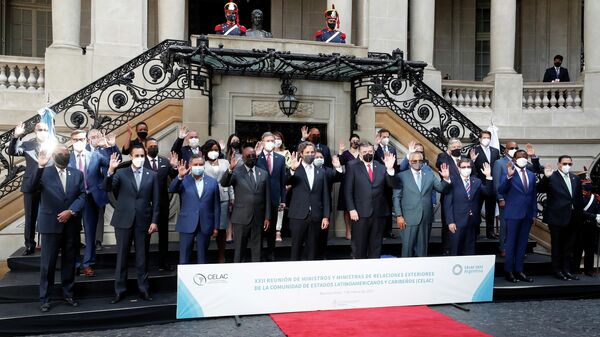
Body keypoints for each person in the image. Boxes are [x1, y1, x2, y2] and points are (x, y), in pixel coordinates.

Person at [22, 144, 85, 312]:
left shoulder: (77, 174)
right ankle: (45, 298)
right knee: (47, 264)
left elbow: (82, 195)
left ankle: (68, 294)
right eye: (60, 152)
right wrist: (40, 166)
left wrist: (71, 211)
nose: (63, 154)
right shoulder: (44, 172)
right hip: (50, 225)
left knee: (69, 262)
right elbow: (28, 189)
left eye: (66, 152)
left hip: (71, 225)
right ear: (54, 155)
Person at [104, 146, 159, 303]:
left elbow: (156, 201)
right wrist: (110, 171)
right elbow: (107, 188)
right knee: (122, 257)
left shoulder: (152, 175)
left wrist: (154, 221)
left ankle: (144, 289)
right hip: (123, 220)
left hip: (144, 221)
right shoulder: (121, 173)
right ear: (131, 156)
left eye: (142, 155)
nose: (140, 157)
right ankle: (120, 290)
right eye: (137, 155)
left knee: (142, 258)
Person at [68, 129, 110, 277]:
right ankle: (74, 264)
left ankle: (88, 264)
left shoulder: (96, 154)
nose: (78, 142)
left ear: (86, 140)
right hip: (73, 200)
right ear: (71, 141)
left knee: (90, 232)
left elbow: (112, 163)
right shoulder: (67, 157)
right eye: (75, 140)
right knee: (72, 234)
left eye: (81, 139)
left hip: (90, 198)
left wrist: (107, 147)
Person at [344, 141, 396, 259]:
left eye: (370, 151)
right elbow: (348, 191)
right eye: (365, 152)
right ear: (360, 153)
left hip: (379, 213)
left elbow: (392, 185)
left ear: (374, 152)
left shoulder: (382, 167)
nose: (368, 153)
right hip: (359, 213)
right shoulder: (352, 166)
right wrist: (351, 209)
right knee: (359, 246)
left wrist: (390, 170)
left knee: (376, 246)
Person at [394, 152, 450, 257]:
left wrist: (446, 179)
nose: (417, 163)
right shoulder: (401, 176)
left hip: (426, 217)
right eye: (414, 161)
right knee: (407, 248)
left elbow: (441, 188)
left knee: (423, 249)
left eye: (420, 161)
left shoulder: (429, 175)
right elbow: (396, 197)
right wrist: (399, 215)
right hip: (408, 218)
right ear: (410, 162)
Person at [220, 145, 271, 263]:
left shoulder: (263, 173)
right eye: (248, 156)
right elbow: (224, 183)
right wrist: (230, 170)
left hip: (258, 217)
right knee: (239, 249)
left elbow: (267, 196)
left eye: (254, 156)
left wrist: (267, 217)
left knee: (257, 249)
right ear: (243, 158)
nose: (251, 158)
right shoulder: (236, 172)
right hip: (241, 217)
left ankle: (256, 274)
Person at [537, 155, 583, 281]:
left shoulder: (575, 178)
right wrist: (545, 178)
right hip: (556, 217)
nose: (567, 166)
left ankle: (567, 270)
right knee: (557, 245)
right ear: (558, 164)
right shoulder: (552, 177)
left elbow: (578, 198)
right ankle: (557, 270)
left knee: (569, 246)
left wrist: (580, 215)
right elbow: (539, 189)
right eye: (564, 163)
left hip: (573, 217)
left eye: (569, 164)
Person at [493, 142, 542, 256]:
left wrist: (533, 157)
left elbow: (536, 169)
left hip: (522, 205)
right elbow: (497, 184)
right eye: (511, 148)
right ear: (505, 150)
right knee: (505, 226)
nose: (514, 149)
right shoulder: (499, 163)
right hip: (506, 200)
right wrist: (500, 198)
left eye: (516, 148)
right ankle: (504, 248)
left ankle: (518, 250)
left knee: (520, 229)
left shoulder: (523, 161)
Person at [169, 155, 220, 264]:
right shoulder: (184, 180)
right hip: (187, 223)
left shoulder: (212, 182)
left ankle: (201, 279)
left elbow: (216, 206)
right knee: (184, 258)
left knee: (202, 258)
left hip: (205, 224)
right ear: (190, 166)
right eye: (195, 164)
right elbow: (172, 189)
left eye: (201, 165)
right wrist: (179, 176)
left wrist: (216, 226)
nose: (198, 166)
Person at [9, 122, 51, 255]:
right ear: (35, 130)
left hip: (49, 186)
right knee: (30, 217)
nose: (43, 131)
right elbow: (12, 151)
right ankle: (29, 244)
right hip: (30, 185)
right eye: (40, 129)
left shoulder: (53, 145)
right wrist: (16, 136)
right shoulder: (27, 145)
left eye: (45, 129)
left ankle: (50, 243)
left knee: (50, 215)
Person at [497, 150, 538, 283]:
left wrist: (534, 213)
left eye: (525, 157)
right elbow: (501, 190)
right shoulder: (509, 173)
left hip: (527, 214)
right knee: (511, 243)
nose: (523, 159)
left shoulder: (531, 175)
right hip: (513, 214)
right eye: (520, 157)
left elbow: (532, 196)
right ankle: (508, 271)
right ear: (514, 159)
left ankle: (519, 271)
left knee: (522, 244)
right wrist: (509, 177)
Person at [287, 142, 331, 261]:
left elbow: (325, 196)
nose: (310, 155)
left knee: (312, 249)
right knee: (296, 248)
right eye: (307, 152)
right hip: (298, 215)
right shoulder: (295, 168)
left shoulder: (321, 171)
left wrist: (326, 216)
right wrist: (292, 169)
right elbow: (285, 181)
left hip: (316, 216)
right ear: (301, 154)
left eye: (312, 152)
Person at [445, 159, 492, 256]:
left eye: (468, 167)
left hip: (472, 221)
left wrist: (488, 176)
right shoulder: (452, 181)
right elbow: (448, 203)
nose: (466, 169)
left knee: (470, 250)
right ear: (458, 168)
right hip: (457, 222)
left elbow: (488, 193)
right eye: (463, 167)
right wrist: (450, 221)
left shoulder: (477, 181)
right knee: (455, 249)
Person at [144, 138, 178, 271]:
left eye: (155, 146)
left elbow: (174, 177)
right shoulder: (141, 161)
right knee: (145, 236)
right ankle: (144, 264)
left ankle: (163, 263)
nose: (154, 148)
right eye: (151, 146)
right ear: (146, 148)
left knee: (164, 235)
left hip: (163, 203)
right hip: (146, 204)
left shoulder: (164, 161)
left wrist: (174, 167)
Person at [87, 129, 120, 252]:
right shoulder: (83, 150)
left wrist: (109, 146)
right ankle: (84, 241)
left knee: (99, 217)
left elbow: (117, 161)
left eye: (99, 136)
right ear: (89, 139)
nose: (97, 138)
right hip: (84, 189)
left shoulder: (104, 149)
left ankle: (97, 241)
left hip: (100, 188)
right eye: (94, 137)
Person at [202, 139, 234, 263]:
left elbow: (230, 180)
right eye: (211, 150)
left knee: (221, 229)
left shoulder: (225, 162)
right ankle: (204, 254)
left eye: (216, 150)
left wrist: (232, 197)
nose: (213, 152)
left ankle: (221, 256)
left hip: (223, 198)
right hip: (207, 199)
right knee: (207, 228)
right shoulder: (202, 164)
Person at [256, 132, 287, 261]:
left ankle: (271, 254)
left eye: (272, 140)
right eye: (267, 140)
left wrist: (283, 199)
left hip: (274, 198)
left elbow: (282, 181)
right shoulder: (256, 156)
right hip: (259, 198)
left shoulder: (280, 158)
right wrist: (256, 155)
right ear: (262, 142)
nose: (270, 143)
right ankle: (258, 255)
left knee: (272, 229)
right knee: (258, 230)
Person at [436, 138, 469, 255]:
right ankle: (446, 248)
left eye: (458, 147)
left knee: (463, 225)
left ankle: (461, 248)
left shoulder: (466, 160)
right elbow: (439, 164)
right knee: (448, 224)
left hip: (464, 198)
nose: (456, 149)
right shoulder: (443, 157)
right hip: (449, 195)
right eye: (453, 147)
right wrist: (447, 153)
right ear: (449, 148)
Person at [315, 149, 344, 259]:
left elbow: (339, 178)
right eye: (316, 157)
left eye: (321, 157)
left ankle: (322, 255)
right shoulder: (307, 170)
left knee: (323, 234)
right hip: (309, 208)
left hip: (324, 207)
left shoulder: (327, 170)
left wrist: (338, 168)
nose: (319, 159)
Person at [472, 131, 501, 239]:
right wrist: (472, 160)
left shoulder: (495, 151)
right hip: (478, 184)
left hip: (491, 184)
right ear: (479, 139)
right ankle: (476, 231)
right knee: (476, 209)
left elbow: (497, 167)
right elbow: (468, 166)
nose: (486, 139)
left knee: (491, 209)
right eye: (484, 137)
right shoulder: (474, 150)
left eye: (488, 137)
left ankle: (490, 232)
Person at [374, 128, 398, 239]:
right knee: (379, 206)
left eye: (388, 136)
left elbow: (395, 165)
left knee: (389, 206)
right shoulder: (375, 149)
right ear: (379, 137)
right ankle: (380, 232)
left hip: (389, 181)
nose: (386, 139)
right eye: (384, 137)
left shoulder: (392, 150)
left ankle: (388, 231)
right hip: (378, 181)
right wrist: (375, 146)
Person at [574, 179, 600, 276]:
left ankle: (589, 270)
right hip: (580, 226)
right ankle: (575, 270)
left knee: (590, 250)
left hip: (591, 227)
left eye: (588, 190)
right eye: (585, 189)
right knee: (577, 249)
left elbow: (598, 209)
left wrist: (598, 216)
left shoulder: (596, 198)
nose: (586, 191)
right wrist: (594, 216)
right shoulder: (578, 198)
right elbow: (579, 212)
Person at [337, 134, 360, 240]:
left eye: (357, 140)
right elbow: (339, 163)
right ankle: (348, 230)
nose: (355, 142)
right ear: (350, 141)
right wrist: (341, 151)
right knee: (347, 208)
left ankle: (357, 231)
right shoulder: (346, 153)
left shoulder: (362, 153)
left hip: (360, 182)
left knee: (359, 207)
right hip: (347, 181)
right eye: (353, 140)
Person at [272, 131, 292, 241]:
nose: (276, 141)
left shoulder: (286, 153)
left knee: (280, 208)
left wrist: (288, 185)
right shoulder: (266, 153)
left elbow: (289, 170)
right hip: (270, 184)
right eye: (274, 138)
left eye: (278, 138)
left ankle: (278, 231)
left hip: (282, 184)